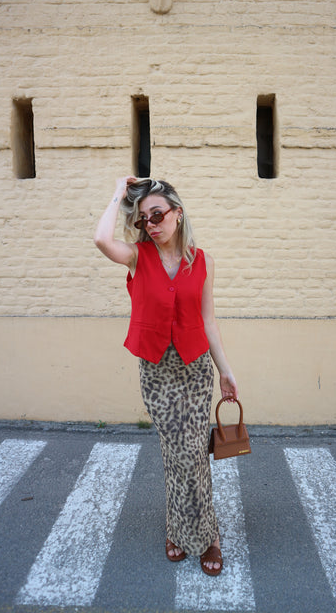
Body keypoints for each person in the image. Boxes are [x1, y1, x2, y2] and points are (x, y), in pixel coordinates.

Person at [94, 176, 238, 577]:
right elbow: (102, 240)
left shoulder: (202, 261)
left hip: (194, 371)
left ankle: (208, 535)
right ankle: (178, 527)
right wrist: (117, 194)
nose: (151, 224)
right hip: (157, 372)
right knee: (175, 453)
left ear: (177, 213)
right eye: (143, 220)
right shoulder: (138, 257)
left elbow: (209, 320)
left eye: (157, 214)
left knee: (193, 453)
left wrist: (225, 371)